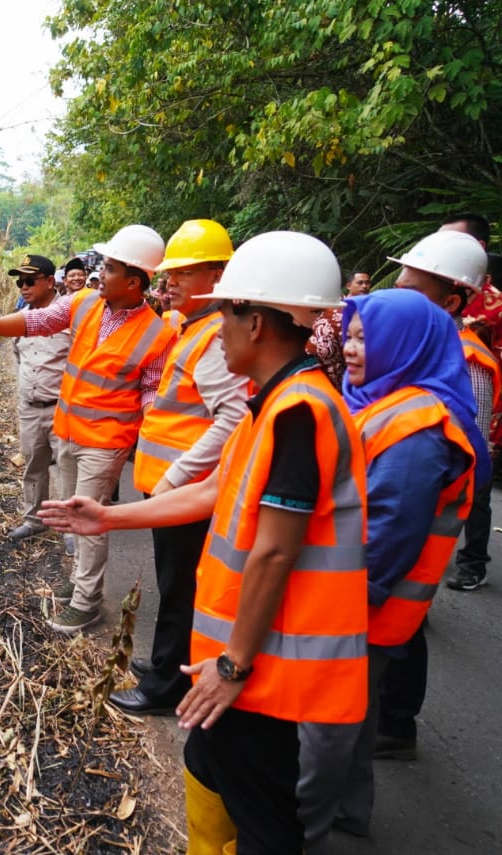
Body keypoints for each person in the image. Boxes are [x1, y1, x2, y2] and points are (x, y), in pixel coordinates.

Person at [40, 231, 368, 855]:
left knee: (263, 816)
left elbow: (275, 551)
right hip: (249, 656)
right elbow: (215, 489)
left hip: (274, 667)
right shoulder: (269, 405)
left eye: (228, 310)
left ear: (261, 322)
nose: (217, 326)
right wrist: (108, 518)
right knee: (206, 763)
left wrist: (232, 666)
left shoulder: (300, 414)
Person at [296, 289, 481, 852]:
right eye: (349, 335)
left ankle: (299, 824)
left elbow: (390, 526)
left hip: (364, 597)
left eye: (365, 338)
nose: (351, 349)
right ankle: (349, 812)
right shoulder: (382, 398)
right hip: (360, 594)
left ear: (406, 345)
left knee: (325, 719)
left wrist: (352, 596)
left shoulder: (418, 429)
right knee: (355, 708)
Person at [0, 225, 176, 634]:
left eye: (109, 268)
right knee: (73, 517)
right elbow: (37, 320)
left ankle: (86, 602)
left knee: (89, 519)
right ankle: (79, 585)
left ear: (134, 281)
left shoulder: (158, 335)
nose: (99, 273)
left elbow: (151, 395)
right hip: (68, 432)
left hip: (105, 445)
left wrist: (159, 446)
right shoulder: (86, 303)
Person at [112, 219, 250, 716]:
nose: (170, 282)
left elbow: (232, 417)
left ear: (219, 274)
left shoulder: (214, 335)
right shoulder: (197, 327)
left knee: (180, 586)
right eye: (170, 272)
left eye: (185, 273)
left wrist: (175, 476)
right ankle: (172, 663)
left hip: (186, 491)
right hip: (174, 487)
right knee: (175, 581)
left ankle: (167, 684)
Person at [374, 228, 493, 761]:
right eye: (398, 285)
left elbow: (472, 444)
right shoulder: (405, 343)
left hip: (410, 529)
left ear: (452, 302)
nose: (399, 297)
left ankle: (395, 724)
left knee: (400, 627)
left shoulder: (464, 357)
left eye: (414, 291)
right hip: (398, 519)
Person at [4, 255, 73, 543]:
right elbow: (20, 359)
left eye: (30, 281)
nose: (23, 287)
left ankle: (71, 528)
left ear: (49, 281)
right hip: (31, 408)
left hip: (62, 408)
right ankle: (34, 520)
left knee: (70, 470)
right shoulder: (21, 318)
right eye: (20, 282)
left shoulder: (70, 314)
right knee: (34, 465)